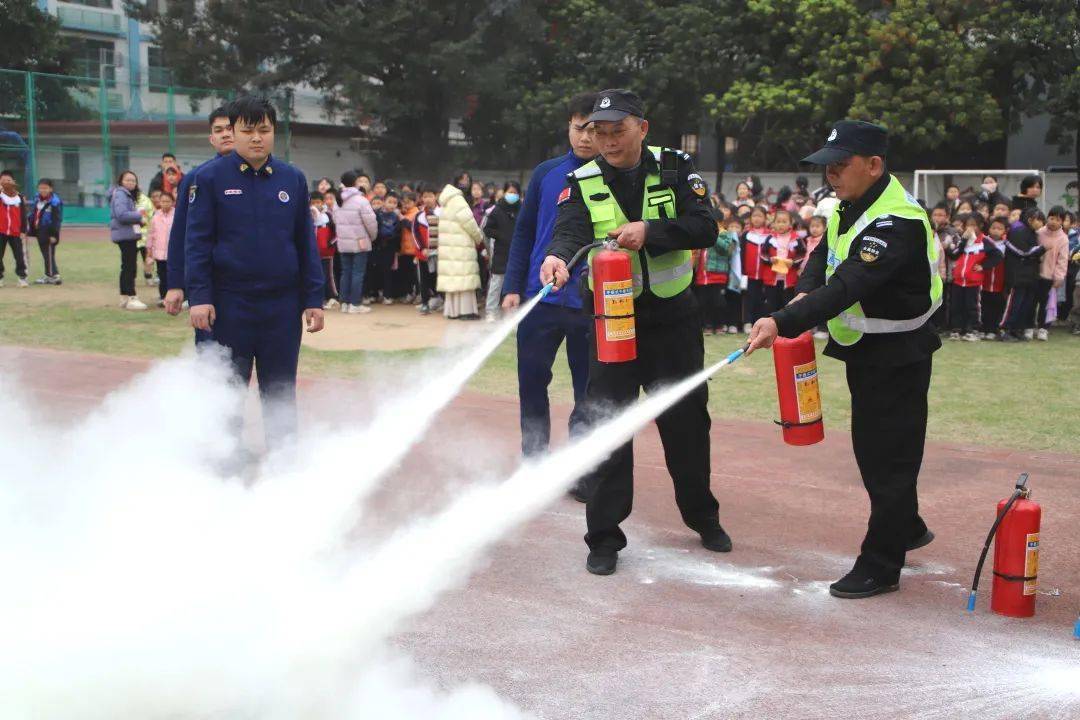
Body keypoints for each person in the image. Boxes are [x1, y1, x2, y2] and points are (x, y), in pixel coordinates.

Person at [747, 121, 941, 599]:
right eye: (827, 166)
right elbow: (823, 259)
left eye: (841, 165)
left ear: (874, 166)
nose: (831, 175)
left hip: (898, 353)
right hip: (866, 348)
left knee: (887, 457)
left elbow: (849, 285)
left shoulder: (897, 222)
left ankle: (881, 565)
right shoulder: (846, 206)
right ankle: (907, 525)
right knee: (877, 451)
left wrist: (782, 321)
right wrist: (801, 295)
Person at [542, 89, 732, 575]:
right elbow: (569, 231)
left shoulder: (675, 167)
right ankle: (603, 539)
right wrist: (557, 259)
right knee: (607, 424)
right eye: (597, 132)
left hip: (674, 322)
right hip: (611, 326)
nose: (605, 140)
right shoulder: (580, 179)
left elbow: (704, 227)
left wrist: (651, 230)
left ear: (642, 129)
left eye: (616, 131)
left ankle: (703, 516)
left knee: (687, 425)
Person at [184, 96, 325, 445]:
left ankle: (284, 460)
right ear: (233, 132)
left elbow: (305, 243)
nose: (257, 138)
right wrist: (199, 297)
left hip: (282, 308)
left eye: (265, 130)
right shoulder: (209, 179)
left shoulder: (292, 179)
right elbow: (196, 243)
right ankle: (223, 463)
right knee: (225, 391)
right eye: (248, 130)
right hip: (229, 305)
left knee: (280, 390)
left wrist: (314, 297)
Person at [502, 92, 597, 488]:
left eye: (595, 130)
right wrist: (511, 286)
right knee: (531, 380)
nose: (587, 138)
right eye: (580, 128)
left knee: (588, 390)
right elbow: (523, 231)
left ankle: (580, 470)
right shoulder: (546, 173)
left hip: (589, 302)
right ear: (568, 127)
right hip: (539, 298)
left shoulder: (615, 176)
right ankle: (535, 460)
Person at [164, 106, 235, 316]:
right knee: (213, 347)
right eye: (219, 130)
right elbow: (180, 233)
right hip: (212, 280)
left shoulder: (263, 175)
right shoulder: (196, 177)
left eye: (230, 128)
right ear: (211, 138)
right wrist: (176, 283)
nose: (225, 134)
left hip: (254, 284)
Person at [945, 213, 1001, 341]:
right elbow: (954, 255)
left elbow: (998, 255)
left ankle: (973, 330)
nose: (971, 228)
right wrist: (963, 241)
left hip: (974, 281)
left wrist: (983, 266)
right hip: (958, 280)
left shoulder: (984, 241)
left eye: (974, 225)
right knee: (956, 306)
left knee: (972, 306)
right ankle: (957, 329)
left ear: (980, 226)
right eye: (968, 225)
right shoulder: (961, 240)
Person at [436, 181, 484, 319]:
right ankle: (466, 311)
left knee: (453, 281)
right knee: (465, 280)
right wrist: (479, 237)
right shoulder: (458, 200)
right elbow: (469, 222)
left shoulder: (446, 201)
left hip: (449, 247)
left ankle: (453, 311)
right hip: (461, 246)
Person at [333, 170, 377, 314]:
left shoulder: (337, 200)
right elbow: (371, 222)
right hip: (360, 242)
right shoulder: (361, 200)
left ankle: (344, 303)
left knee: (346, 272)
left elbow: (335, 220)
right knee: (357, 273)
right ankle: (355, 303)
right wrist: (372, 236)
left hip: (343, 243)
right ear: (355, 182)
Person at [1001, 208, 1046, 341]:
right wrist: (1043, 248)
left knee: (1025, 305)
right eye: (1039, 220)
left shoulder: (1033, 233)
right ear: (1030, 219)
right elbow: (1022, 252)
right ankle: (1005, 330)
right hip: (1017, 276)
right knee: (1014, 304)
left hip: (1029, 276)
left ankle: (1016, 330)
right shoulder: (1018, 232)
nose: (1041, 223)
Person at [481, 181, 521, 322]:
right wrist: (500, 235)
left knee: (515, 283)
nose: (512, 195)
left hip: (517, 253)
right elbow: (487, 229)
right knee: (496, 283)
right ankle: (491, 311)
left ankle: (512, 312)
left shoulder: (522, 210)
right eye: (510, 192)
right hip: (501, 253)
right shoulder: (497, 210)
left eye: (515, 193)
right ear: (504, 193)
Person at [109, 170, 149, 311]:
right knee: (129, 266)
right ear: (121, 181)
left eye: (133, 180)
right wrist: (138, 216)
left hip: (127, 234)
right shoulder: (121, 194)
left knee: (127, 265)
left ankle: (124, 296)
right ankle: (132, 296)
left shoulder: (125, 195)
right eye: (128, 180)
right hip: (125, 235)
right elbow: (121, 215)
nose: (131, 183)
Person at [1035, 206, 1069, 341]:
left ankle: (1044, 328)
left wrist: (1059, 277)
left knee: (1046, 303)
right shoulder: (1039, 233)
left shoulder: (1064, 239)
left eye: (1058, 219)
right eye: (1051, 218)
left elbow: (1063, 260)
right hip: (1035, 274)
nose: (1054, 222)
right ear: (1047, 218)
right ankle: (1029, 326)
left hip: (1049, 276)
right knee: (1032, 301)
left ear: (1062, 222)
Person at [980, 216, 1010, 339]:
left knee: (997, 306)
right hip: (984, 280)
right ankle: (983, 328)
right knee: (983, 305)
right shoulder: (984, 242)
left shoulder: (1007, 244)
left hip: (999, 282)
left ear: (1005, 231)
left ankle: (993, 329)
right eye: (993, 228)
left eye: (999, 228)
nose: (996, 230)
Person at [28, 178, 62, 285]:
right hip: (40, 230)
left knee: (49, 253)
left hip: (49, 231)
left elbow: (57, 220)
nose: (43, 190)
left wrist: (54, 234)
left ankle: (54, 276)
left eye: (45, 188)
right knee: (45, 253)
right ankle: (49, 275)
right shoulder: (37, 198)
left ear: (51, 189)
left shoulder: (55, 202)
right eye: (40, 188)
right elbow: (34, 213)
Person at [0, 170, 29, 288]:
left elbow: (23, 215)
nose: (6, 182)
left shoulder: (20, 198)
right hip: (1, 231)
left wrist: (23, 230)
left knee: (19, 256)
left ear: (13, 182)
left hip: (15, 232)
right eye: (3, 180)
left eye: (8, 180)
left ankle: (22, 278)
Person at [146, 190, 175, 307]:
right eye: (163, 201)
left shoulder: (177, 215)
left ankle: (176, 298)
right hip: (159, 253)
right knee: (162, 276)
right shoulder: (155, 216)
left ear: (173, 202)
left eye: (168, 201)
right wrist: (149, 249)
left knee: (173, 276)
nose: (165, 204)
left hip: (173, 253)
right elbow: (151, 234)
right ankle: (163, 297)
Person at [310, 192, 339, 310]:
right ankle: (318, 299)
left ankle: (332, 297)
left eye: (318, 202)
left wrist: (330, 244)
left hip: (327, 253)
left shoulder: (329, 215)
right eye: (313, 203)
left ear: (322, 203)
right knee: (315, 277)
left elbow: (337, 233)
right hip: (312, 254)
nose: (316, 205)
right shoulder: (307, 216)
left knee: (328, 275)